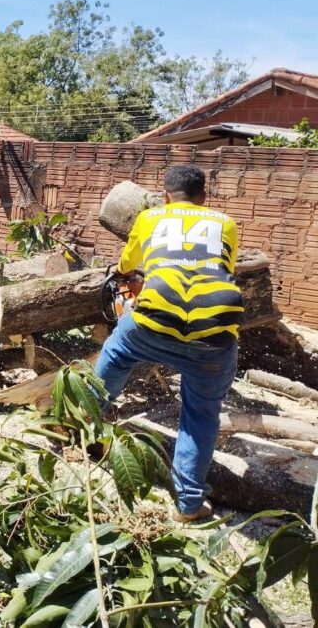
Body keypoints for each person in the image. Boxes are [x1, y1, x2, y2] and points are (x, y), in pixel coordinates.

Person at [94, 165, 243, 522]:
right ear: (204, 197)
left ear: (165, 196)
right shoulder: (226, 223)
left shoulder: (149, 218)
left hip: (152, 326)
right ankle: (188, 504)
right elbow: (217, 267)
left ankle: (80, 424)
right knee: (201, 415)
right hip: (215, 334)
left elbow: (128, 263)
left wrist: (127, 274)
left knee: (116, 353)